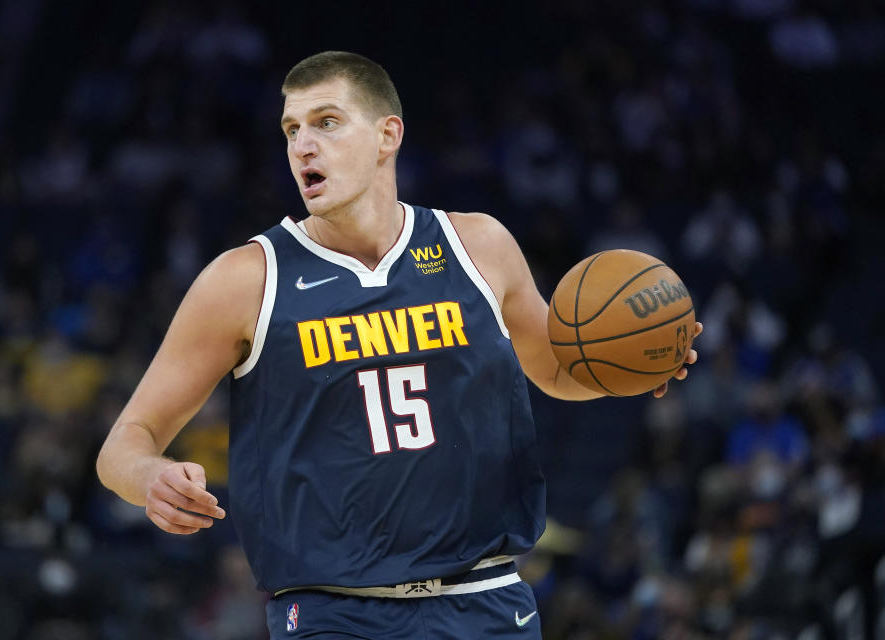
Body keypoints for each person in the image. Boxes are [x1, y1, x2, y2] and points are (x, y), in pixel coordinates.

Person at [96, 51, 702, 639]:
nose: (302, 145)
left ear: (388, 136)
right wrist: (151, 476)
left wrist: (635, 367)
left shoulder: (479, 246)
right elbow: (124, 444)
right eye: (291, 129)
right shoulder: (245, 280)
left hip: (485, 602)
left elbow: (558, 370)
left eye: (326, 122)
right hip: (334, 614)